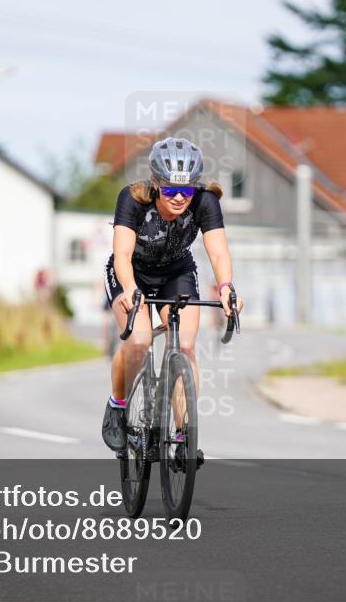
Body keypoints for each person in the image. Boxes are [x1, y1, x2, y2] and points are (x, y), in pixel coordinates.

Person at [101, 137, 243, 458]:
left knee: (185, 345)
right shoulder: (133, 199)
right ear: (155, 184)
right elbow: (121, 254)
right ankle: (118, 406)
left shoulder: (205, 202)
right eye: (169, 190)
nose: (179, 197)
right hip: (132, 273)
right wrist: (129, 288)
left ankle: (181, 436)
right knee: (138, 340)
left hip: (175, 273)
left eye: (187, 189)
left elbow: (219, 253)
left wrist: (226, 288)